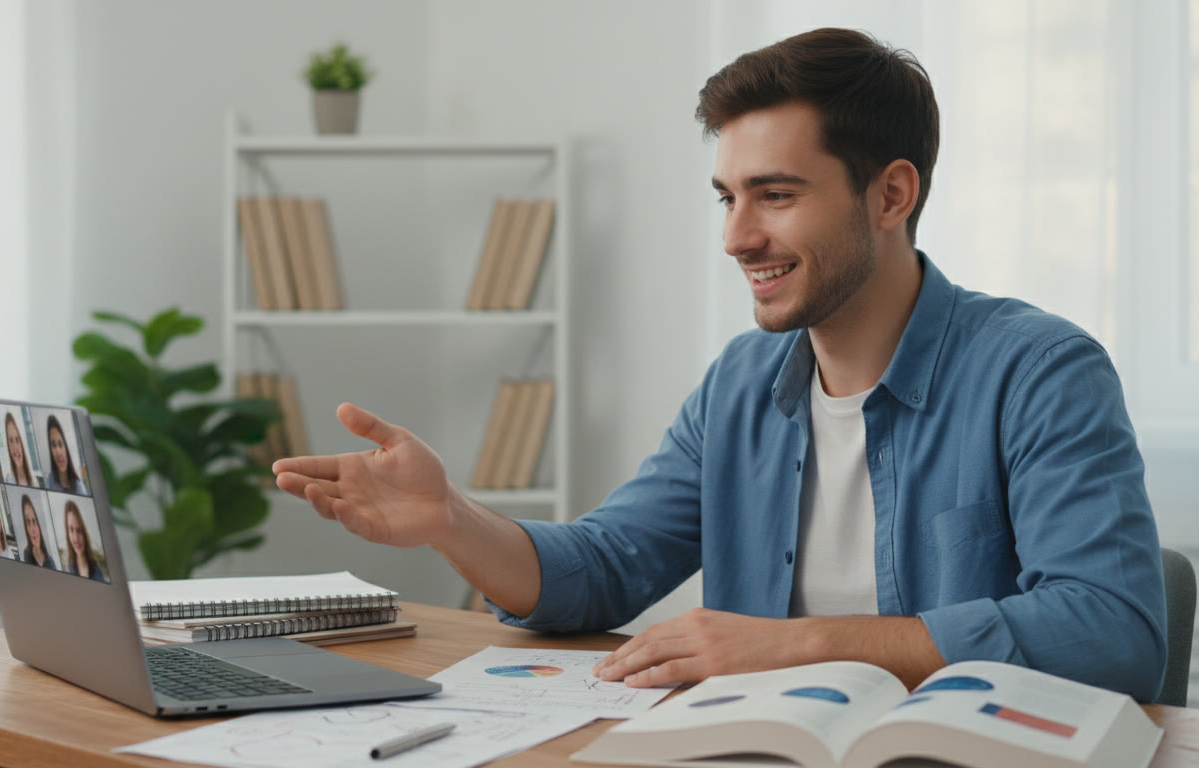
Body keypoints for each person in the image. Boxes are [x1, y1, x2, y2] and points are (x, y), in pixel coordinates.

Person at [272, 28, 1166, 701]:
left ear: (891, 193)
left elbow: (1112, 631)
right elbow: (602, 567)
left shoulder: (1041, 371)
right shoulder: (743, 382)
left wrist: (803, 643)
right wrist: (450, 520)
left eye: (775, 194)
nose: (738, 237)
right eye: (728, 197)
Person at [44, 414, 89, 495]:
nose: (58, 452)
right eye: (53, 445)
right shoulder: (50, 480)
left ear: (67, 448)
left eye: (61, 444)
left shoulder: (79, 487)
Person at [63, 500, 106, 582]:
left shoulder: (96, 569)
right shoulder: (70, 566)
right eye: (71, 530)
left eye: (79, 530)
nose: (75, 538)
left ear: (84, 534)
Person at [19, 494, 55, 569]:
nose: (32, 529)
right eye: (28, 522)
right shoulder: (27, 554)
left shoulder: (50, 561)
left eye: (34, 521)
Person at [2, 412, 36, 487]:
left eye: (17, 439)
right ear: (8, 447)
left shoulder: (33, 480)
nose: (15, 447)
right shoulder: (8, 481)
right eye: (11, 441)